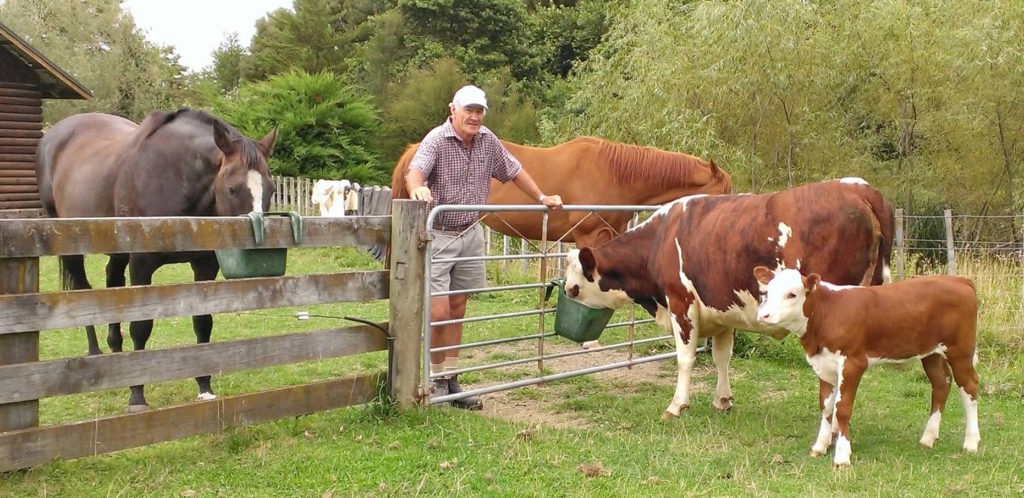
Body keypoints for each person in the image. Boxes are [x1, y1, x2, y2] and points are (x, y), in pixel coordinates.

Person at [406, 84, 563, 410]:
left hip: (470, 232)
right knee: (439, 312)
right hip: (440, 234)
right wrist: (418, 189)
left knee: (459, 308)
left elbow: (515, 171)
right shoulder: (436, 139)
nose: (474, 117)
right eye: (469, 110)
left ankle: (452, 380)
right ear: (453, 110)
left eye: (479, 111)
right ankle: (435, 380)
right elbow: (415, 171)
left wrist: (542, 198)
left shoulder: (488, 141)